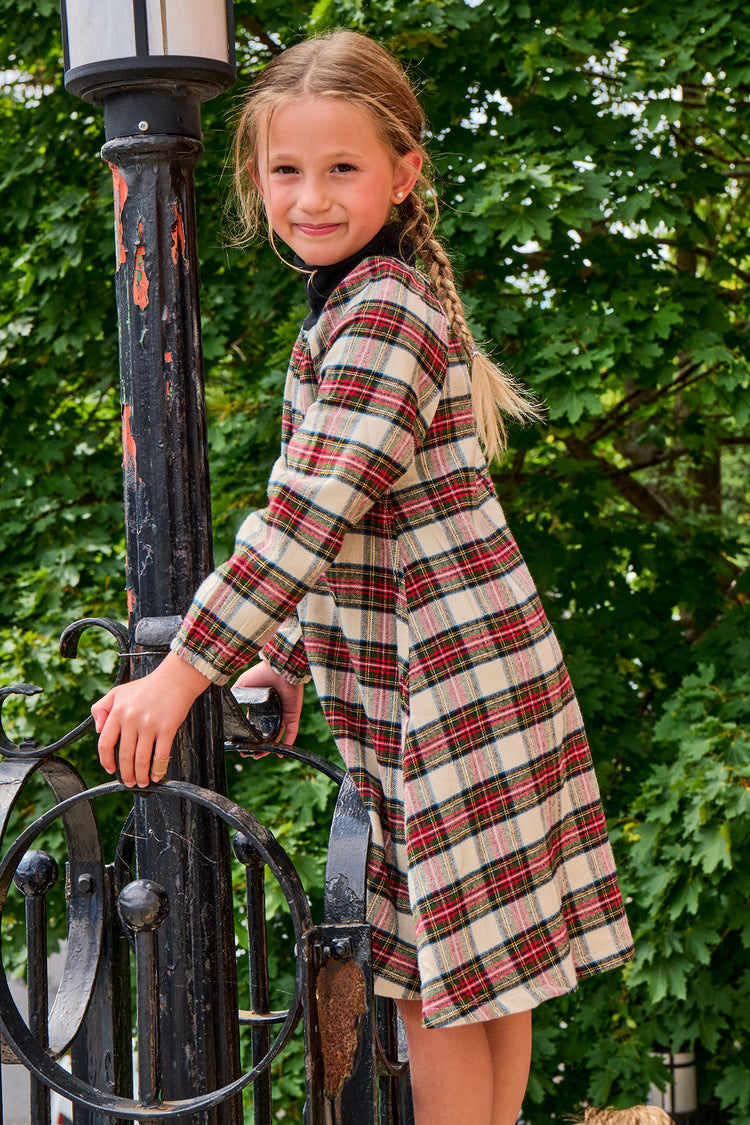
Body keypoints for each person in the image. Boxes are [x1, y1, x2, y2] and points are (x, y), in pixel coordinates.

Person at [92, 30, 633, 1125]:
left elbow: (309, 514)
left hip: (448, 694)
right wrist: (287, 656)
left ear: (404, 172)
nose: (312, 197)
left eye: (342, 168)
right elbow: (358, 526)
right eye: (286, 170)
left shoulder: (383, 310)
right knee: (481, 976)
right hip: (455, 679)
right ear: (256, 179)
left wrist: (183, 673)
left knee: (438, 986)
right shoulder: (362, 302)